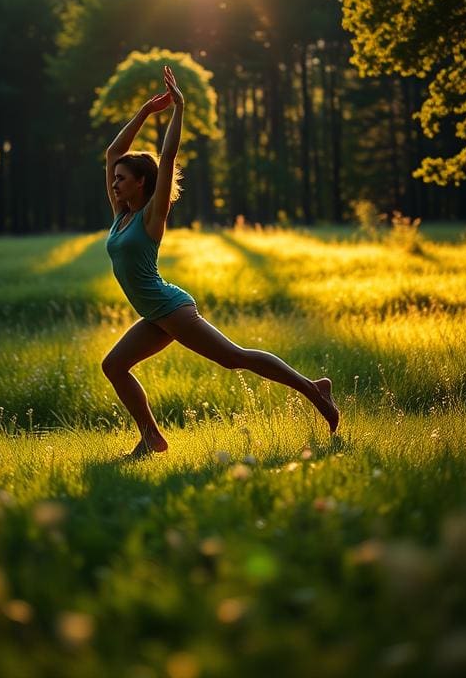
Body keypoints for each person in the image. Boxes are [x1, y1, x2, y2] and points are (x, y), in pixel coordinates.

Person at [103, 65, 339, 458]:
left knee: (234, 358)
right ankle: (151, 438)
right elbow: (113, 153)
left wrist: (179, 108)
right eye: (114, 179)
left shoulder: (150, 217)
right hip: (155, 314)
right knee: (114, 366)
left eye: (122, 178)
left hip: (170, 309)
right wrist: (145, 111)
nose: (114, 183)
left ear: (141, 182)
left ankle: (315, 390)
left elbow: (167, 155)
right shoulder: (120, 215)